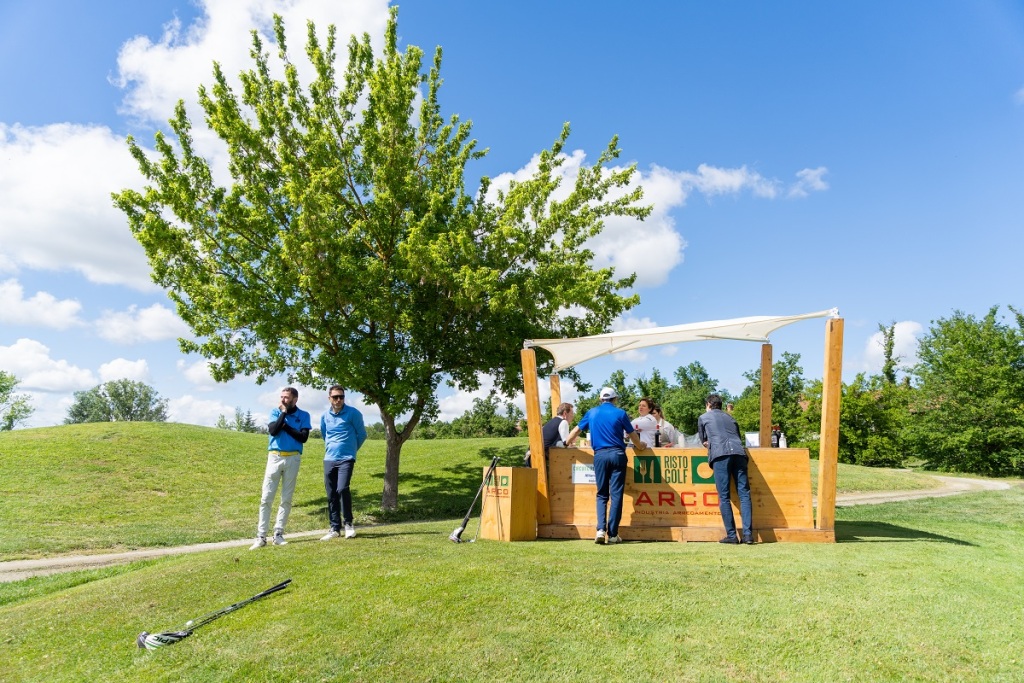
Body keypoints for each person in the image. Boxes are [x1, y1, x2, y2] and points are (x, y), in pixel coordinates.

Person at [565, 387, 646, 545]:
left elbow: (575, 431)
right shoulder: (621, 413)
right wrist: (641, 446)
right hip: (618, 455)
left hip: (600, 456)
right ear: (614, 399)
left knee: (602, 494)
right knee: (616, 496)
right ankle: (613, 534)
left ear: (600, 399)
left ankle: (600, 530)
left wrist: (565, 443)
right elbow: (633, 436)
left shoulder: (592, 412)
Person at [250, 387, 311, 550]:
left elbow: (303, 437)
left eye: (287, 397)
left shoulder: (304, 416)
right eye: (282, 397)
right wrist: (283, 414)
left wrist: (285, 426)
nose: (283, 400)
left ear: (295, 399)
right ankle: (261, 536)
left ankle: (278, 534)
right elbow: (273, 430)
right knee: (266, 497)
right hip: (275, 456)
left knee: (286, 498)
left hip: (293, 457)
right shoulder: (275, 412)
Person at [697, 393, 754, 545]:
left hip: (720, 455)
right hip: (739, 453)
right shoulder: (731, 418)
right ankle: (748, 535)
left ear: (709, 404)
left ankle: (732, 535)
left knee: (724, 496)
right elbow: (737, 435)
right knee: (744, 494)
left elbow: (704, 441)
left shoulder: (703, 417)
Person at [320, 386, 367, 541]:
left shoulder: (353, 413)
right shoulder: (325, 416)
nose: (338, 399)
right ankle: (334, 527)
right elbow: (324, 434)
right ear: (329, 399)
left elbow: (362, 434)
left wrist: (352, 450)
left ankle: (348, 524)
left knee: (342, 489)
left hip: (346, 458)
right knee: (331, 493)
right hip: (329, 458)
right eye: (335, 397)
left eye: (341, 396)